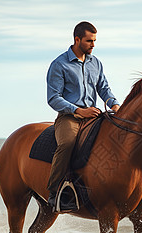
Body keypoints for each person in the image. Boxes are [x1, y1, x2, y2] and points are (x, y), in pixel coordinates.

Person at [46, 21, 120, 211]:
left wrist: (115, 104)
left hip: (94, 115)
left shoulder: (96, 63)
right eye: (89, 41)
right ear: (77, 39)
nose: (93, 45)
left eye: (94, 41)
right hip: (69, 117)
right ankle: (54, 193)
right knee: (68, 143)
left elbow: (104, 88)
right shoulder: (59, 64)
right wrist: (79, 111)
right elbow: (53, 98)